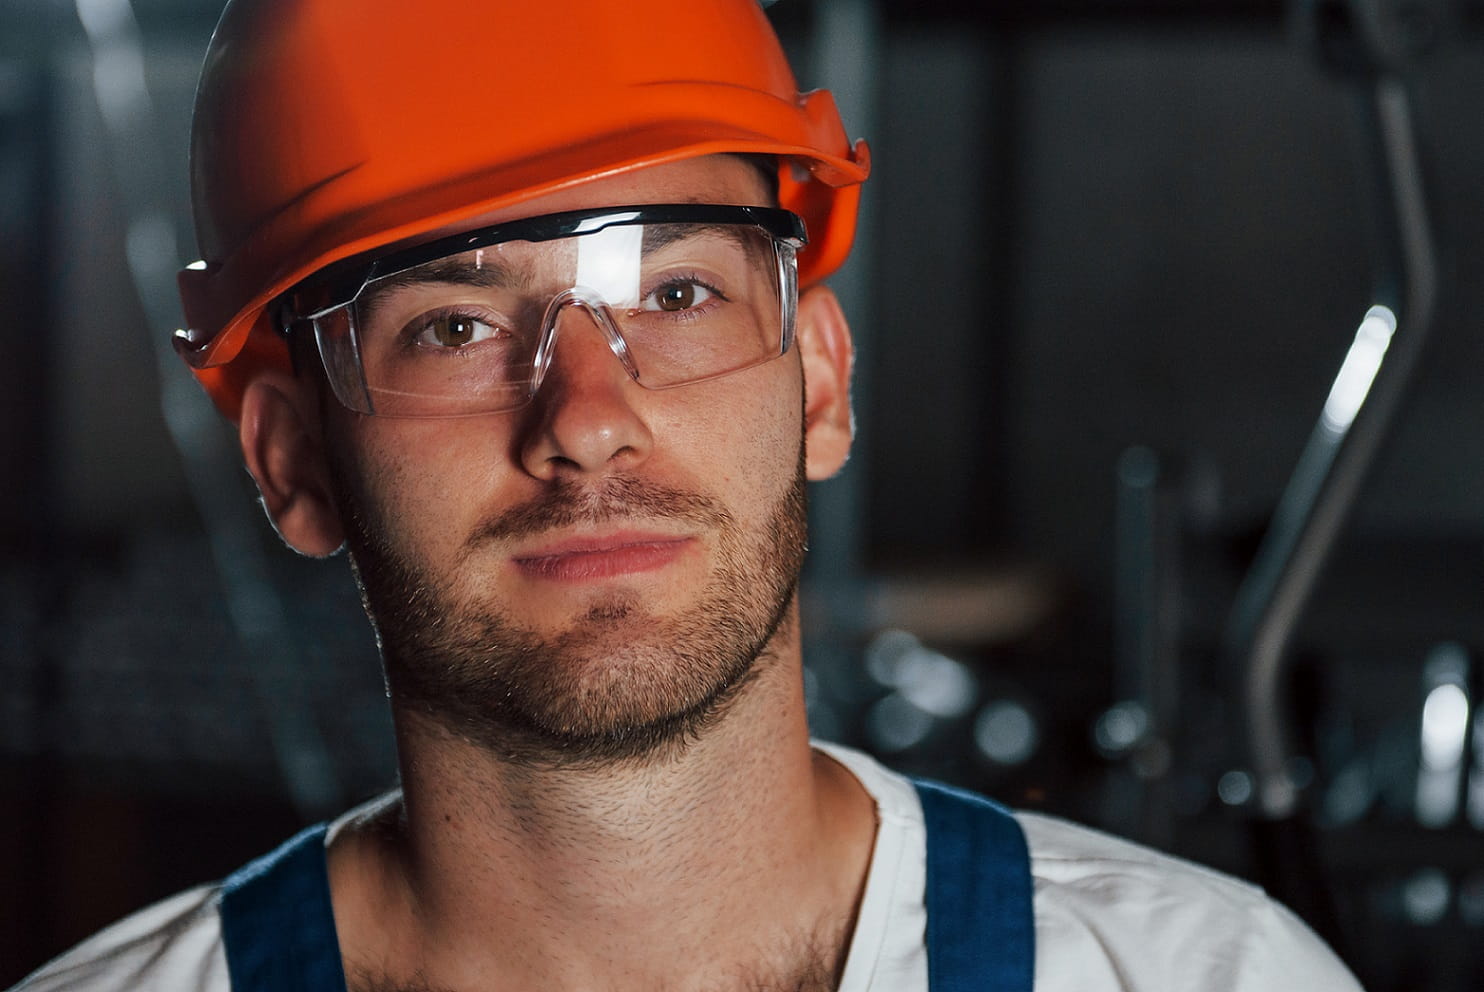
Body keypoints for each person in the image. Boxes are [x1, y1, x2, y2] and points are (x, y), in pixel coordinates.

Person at [16, 0, 1366, 989]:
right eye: (451, 328)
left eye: (675, 294)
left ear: (821, 383)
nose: (590, 423)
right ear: (292, 460)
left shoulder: (1203, 977)